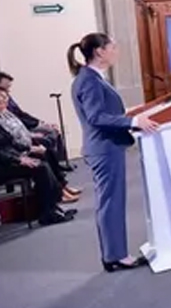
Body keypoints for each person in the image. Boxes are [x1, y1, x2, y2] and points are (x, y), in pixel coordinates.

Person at [68, 33, 159, 272]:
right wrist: (132, 121)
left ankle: (115, 253)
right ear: (99, 52)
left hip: (106, 147)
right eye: (113, 47)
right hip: (104, 148)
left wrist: (132, 113)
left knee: (112, 201)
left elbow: (104, 110)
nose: (116, 51)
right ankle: (115, 256)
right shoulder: (89, 80)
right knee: (110, 202)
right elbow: (96, 117)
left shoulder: (93, 78)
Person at [0, 86, 74, 227]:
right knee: (40, 167)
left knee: (40, 159)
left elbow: (8, 141)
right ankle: (48, 213)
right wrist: (18, 159)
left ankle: (50, 207)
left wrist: (27, 149)